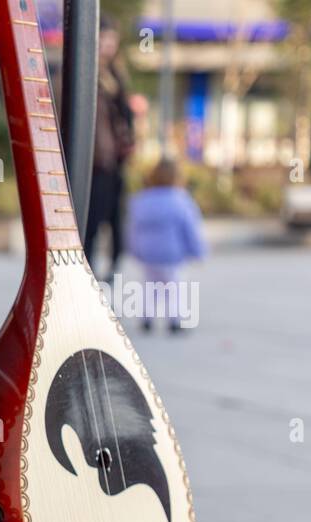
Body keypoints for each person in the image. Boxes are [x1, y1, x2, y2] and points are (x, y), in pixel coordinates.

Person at [126, 158, 207, 333]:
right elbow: (190, 228)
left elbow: (133, 229)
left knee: (150, 287)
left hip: (148, 254)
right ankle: (175, 320)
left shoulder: (141, 200)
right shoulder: (181, 200)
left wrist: (134, 249)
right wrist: (198, 251)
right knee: (174, 288)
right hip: (171, 254)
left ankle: (146, 318)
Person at [84, 19, 137, 282]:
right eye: (104, 40)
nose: (109, 46)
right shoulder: (84, 73)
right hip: (95, 161)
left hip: (116, 160)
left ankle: (112, 273)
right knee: (93, 220)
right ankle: (89, 272)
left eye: (112, 41)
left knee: (117, 221)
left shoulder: (116, 74)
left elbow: (124, 116)